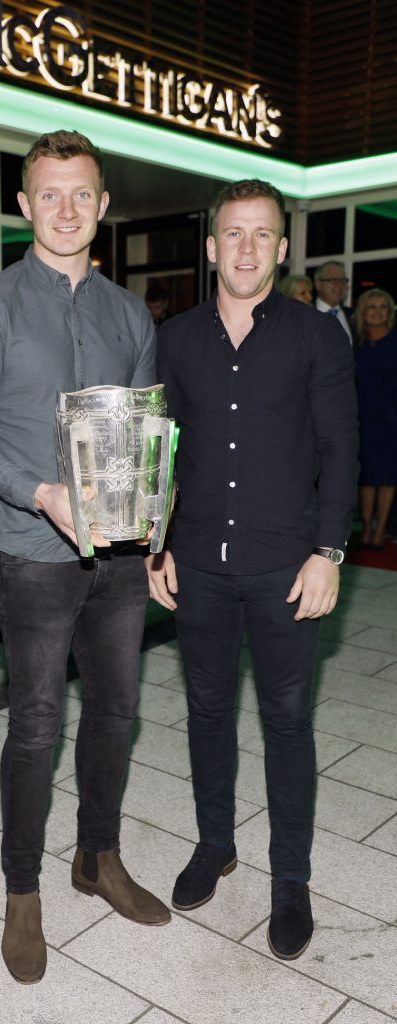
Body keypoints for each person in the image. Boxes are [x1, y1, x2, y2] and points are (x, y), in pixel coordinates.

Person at [0, 129, 171, 986]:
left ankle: (96, 857)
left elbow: (145, 435)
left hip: (115, 555)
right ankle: (21, 890)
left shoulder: (126, 313)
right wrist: (40, 491)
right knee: (35, 724)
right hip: (34, 551)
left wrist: (154, 535)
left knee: (115, 712)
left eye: (81, 194)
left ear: (102, 205)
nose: (65, 209)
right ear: (23, 203)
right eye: (48, 193)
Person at [149, 179, 358, 961]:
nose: (244, 248)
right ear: (211, 247)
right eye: (231, 234)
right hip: (196, 562)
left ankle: (290, 881)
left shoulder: (315, 337)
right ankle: (214, 844)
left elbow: (341, 448)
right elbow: (159, 451)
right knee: (205, 714)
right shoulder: (172, 341)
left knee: (287, 723)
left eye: (259, 235)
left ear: (279, 249)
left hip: (284, 566)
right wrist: (154, 545)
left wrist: (328, 552)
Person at [352, 288, 397, 548]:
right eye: (372, 306)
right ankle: (366, 527)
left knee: (388, 475)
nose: (378, 311)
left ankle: (380, 530)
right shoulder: (356, 343)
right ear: (363, 312)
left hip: (391, 420)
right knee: (366, 475)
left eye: (383, 306)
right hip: (363, 418)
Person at [314, 260, 355, 344]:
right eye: (333, 280)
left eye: (342, 280)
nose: (339, 285)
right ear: (318, 284)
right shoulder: (305, 313)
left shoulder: (354, 316)